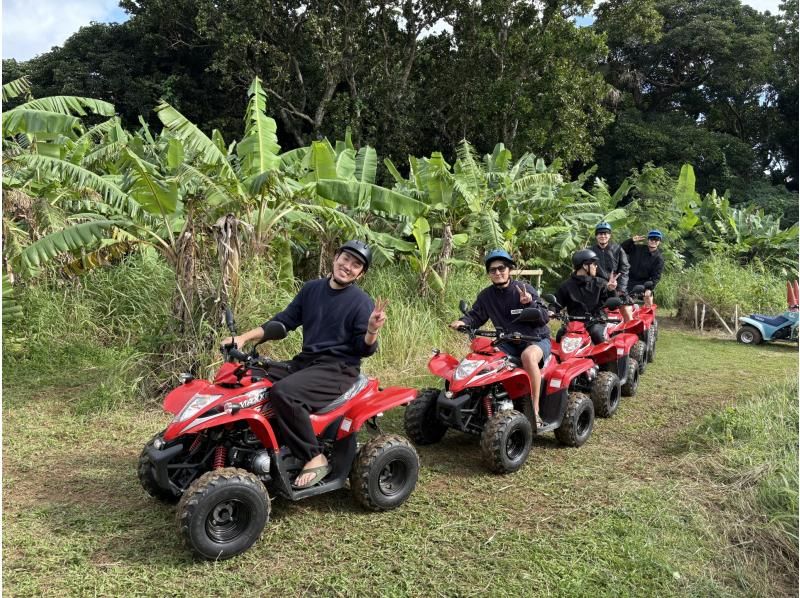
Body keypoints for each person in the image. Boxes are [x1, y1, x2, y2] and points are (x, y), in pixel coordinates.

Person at [221, 240, 387, 489]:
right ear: (335, 257)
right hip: (307, 363)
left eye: (356, 265)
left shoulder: (361, 302)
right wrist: (242, 338)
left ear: (360, 274)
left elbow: (364, 348)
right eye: (346, 259)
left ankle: (313, 456)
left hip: (338, 368)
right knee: (246, 375)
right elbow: (284, 322)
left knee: (284, 393)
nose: (348, 266)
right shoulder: (312, 289)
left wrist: (372, 331)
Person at [449, 249, 551, 428]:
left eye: (501, 268)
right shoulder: (486, 296)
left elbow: (544, 316)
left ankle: (535, 411)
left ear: (509, 269)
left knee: (528, 356)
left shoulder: (525, 289)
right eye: (492, 270)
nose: (497, 272)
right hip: (507, 343)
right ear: (489, 273)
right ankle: (480, 404)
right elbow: (476, 316)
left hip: (535, 339)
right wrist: (463, 321)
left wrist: (531, 303)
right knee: (484, 357)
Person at [555, 249, 618, 345]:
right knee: (560, 335)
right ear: (585, 266)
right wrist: (551, 310)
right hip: (573, 325)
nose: (596, 267)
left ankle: (607, 360)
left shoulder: (600, 283)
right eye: (593, 264)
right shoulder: (566, 285)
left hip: (595, 323)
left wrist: (611, 290)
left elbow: (613, 306)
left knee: (597, 333)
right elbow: (556, 303)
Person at [591, 222, 631, 321]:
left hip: (616, 285)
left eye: (605, 233)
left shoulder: (617, 249)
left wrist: (621, 288)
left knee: (625, 308)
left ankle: (629, 331)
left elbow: (624, 269)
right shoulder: (590, 251)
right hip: (598, 286)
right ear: (596, 236)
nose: (603, 236)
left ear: (609, 235)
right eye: (600, 233)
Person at [621, 230, 665, 304]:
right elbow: (621, 248)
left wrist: (649, 288)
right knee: (623, 300)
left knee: (648, 296)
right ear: (648, 240)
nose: (653, 241)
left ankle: (649, 312)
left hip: (644, 283)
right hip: (629, 280)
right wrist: (631, 240)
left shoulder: (659, 259)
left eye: (656, 239)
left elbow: (656, 276)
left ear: (659, 242)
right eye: (651, 239)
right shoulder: (637, 248)